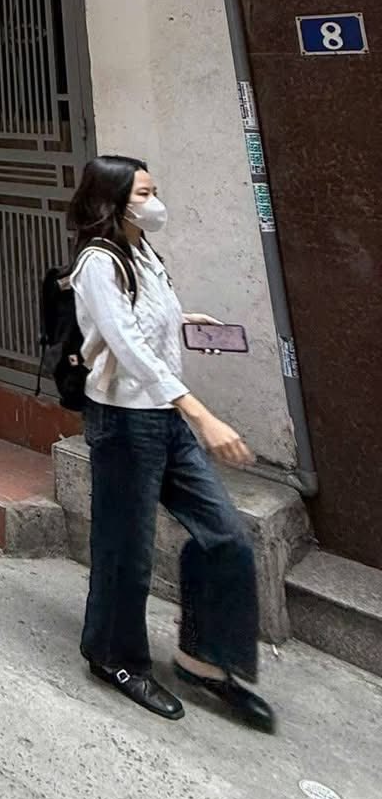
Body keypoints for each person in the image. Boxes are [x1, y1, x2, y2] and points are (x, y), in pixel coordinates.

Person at [68, 155, 273, 731]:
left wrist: (183, 321)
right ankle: (113, 657)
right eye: (143, 193)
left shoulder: (143, 252)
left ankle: (203, 658)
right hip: (124, 422)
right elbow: (126, 345)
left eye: (154, 189)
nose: (154, 202)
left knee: (225, 535)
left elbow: (143, 323)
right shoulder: (97, 261)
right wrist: (200, 413)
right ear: (112, 199)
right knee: (125, 551)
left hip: (164, 418)